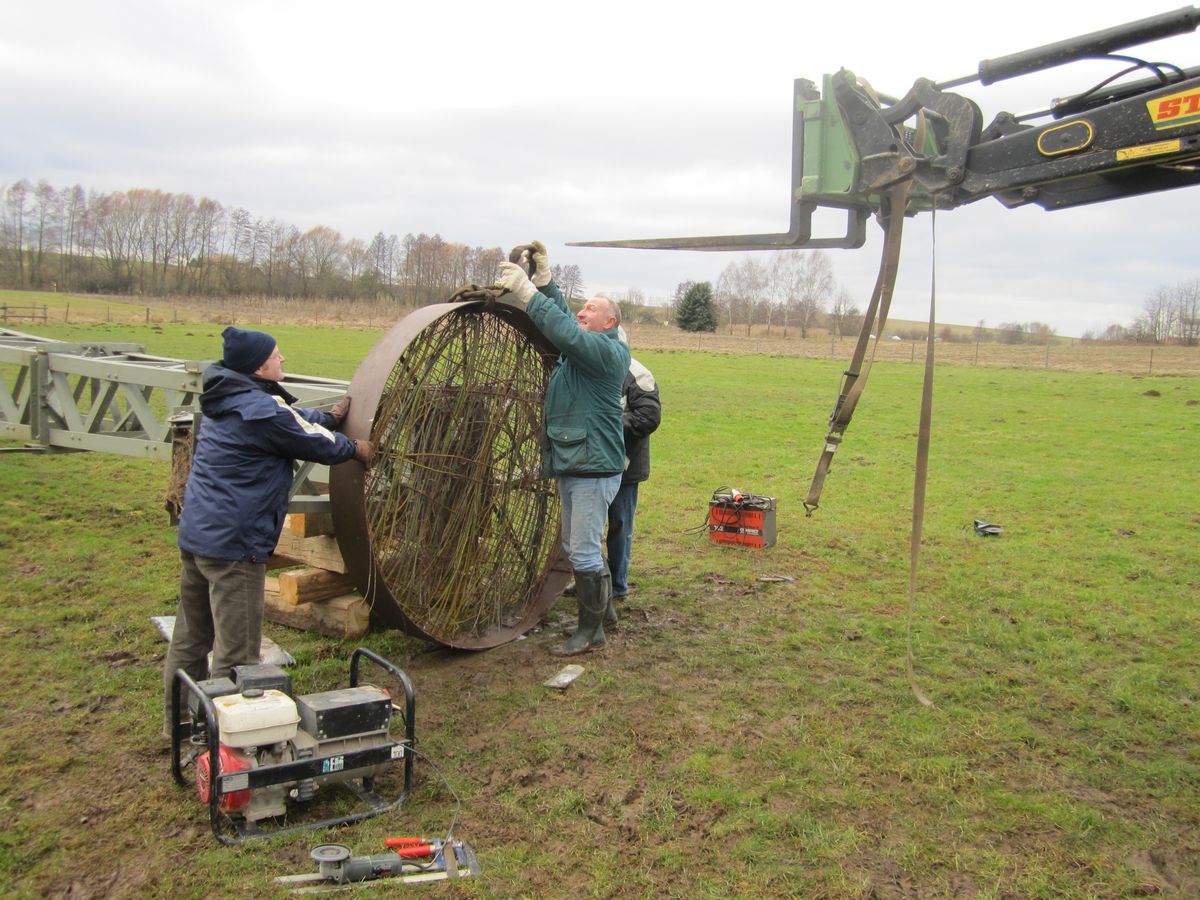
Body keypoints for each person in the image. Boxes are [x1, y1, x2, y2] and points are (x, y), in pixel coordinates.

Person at [162, 326, 373, 732]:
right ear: (259, 367)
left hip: (199, 537)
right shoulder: (260, 410)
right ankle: (225, 742)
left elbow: (291, 420)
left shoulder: (229, 396)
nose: (283, 359)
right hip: (235, 548)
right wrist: (356, 448)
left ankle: (180, 726)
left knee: (191, 638)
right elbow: (313, 442)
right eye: (277, 355)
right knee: (237, 653)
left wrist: (328, 418)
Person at [496, 242, 630, 656]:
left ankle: (591, 632)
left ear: (609, 322)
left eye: (591, 308)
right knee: (577, 546)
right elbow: (567, 323)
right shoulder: (586, 350)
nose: (581, 311)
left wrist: (527, 294)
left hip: (592, 467)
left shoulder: (607, 352)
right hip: (579, 463)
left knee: (583, 549)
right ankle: (604, 613)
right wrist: (545, 282)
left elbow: (565, 331)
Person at [607, 328, 661, 603]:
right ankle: (591, 581)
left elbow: (648, 417)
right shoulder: (589, 368)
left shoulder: (638, 374)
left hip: (625, 466)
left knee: (619, 524)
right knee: (587, 527)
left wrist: (606, 424)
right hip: (591, 465)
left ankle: (617, 585)